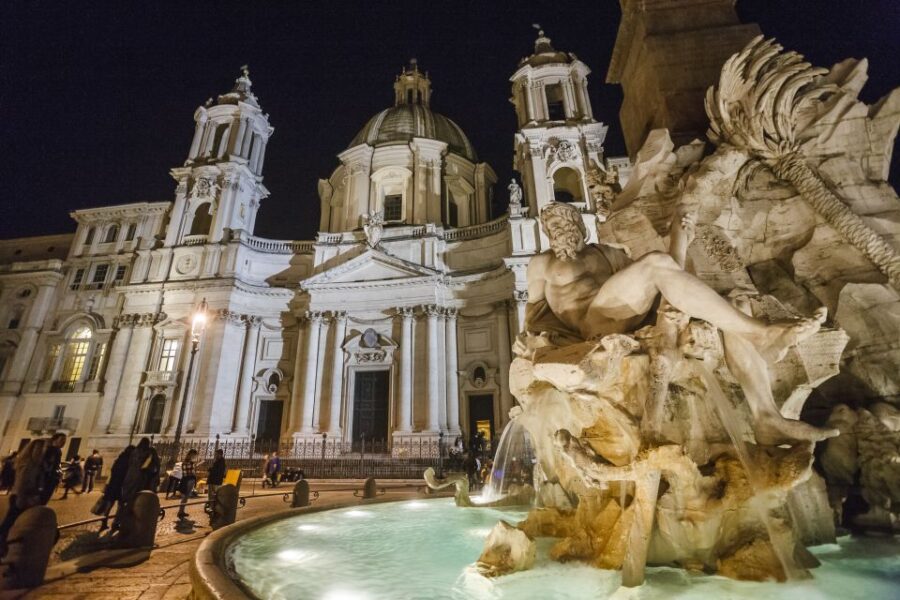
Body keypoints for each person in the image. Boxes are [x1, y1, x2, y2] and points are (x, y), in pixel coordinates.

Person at [525, 202, 833, 445]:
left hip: (624, 315)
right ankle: (760, 333)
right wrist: (541, 344)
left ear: (579, 225)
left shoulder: (606, 253)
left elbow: (666, 278)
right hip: (593, 325)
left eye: (564, 222)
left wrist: (680, 243)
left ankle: (766, 415)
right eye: (552, 227)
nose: (558, 230)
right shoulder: (542, 263)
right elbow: (535, 314)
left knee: (733, 303)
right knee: (656, 262)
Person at [0, 439, 49, 552]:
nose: (43, 452)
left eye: (44, 449)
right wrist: (21, 498)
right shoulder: (28, 464)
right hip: (22, 496)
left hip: (24, 496)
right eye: (41, 449)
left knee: (11, 521)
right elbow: (21, 483)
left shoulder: (35, 464)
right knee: (10, 522)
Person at [99, 444, 133, 532]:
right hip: (121, 486)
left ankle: (104, 522)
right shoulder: (129, 462)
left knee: (109, 505)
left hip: (113, 484)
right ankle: (116, 523)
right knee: (121, 505)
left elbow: (112, 470)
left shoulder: (118, 459)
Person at [39, 433, 66, 504]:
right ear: (54, 439)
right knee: (41, 500)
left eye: (65, 441)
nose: (64, 442)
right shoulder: (50, 450)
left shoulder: (57, 450)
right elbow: (47, 465)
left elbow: (56, 464)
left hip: (50, 478)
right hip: (46, 479)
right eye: (62, 440)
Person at [178, 449, 199, 520]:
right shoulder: (189, 462)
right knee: (185, 496)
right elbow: (190, 472)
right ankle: (181, 511)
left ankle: (181, 511)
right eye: (194, 455)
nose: (195, 457)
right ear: (191, 454)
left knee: (185, 496)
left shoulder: (186, 461)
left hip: (186, 479)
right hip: (189, 480)